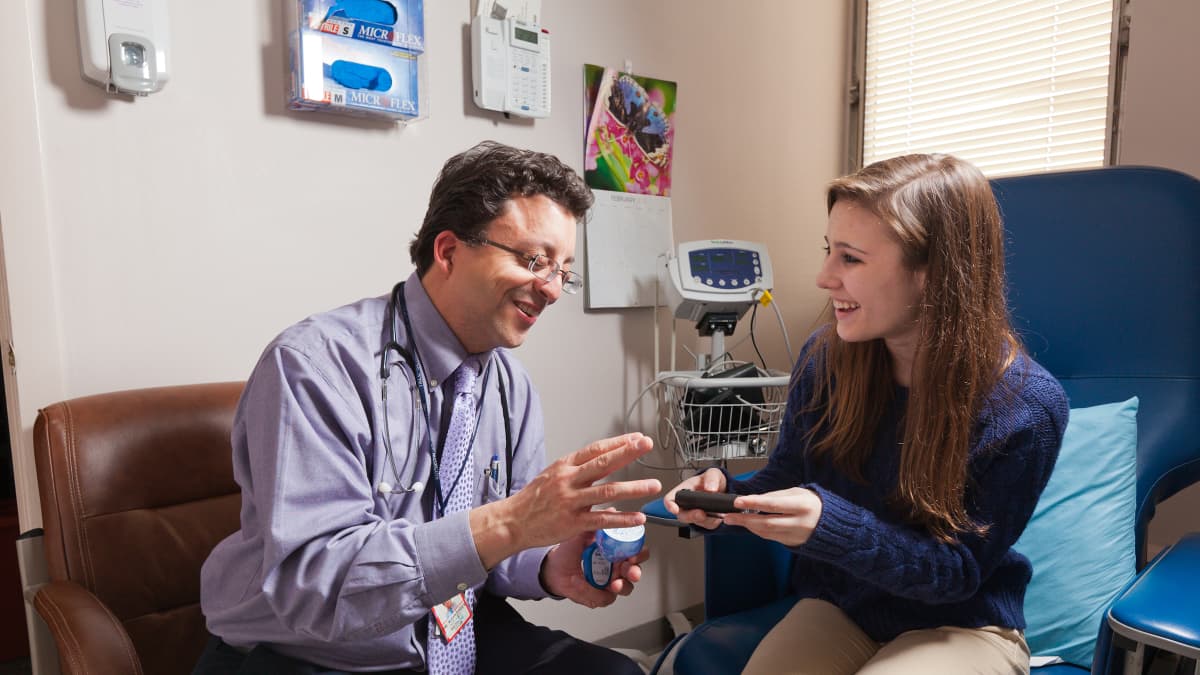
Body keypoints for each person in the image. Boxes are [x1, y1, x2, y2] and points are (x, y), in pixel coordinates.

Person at [196, 141, 663, 674]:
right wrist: (513, 522)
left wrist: (551, 564)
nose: (553, 289)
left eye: (563, 270)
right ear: (448, 251)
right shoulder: (314, 367)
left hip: (457, 630)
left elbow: (497, 543)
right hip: (314, 652)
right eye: (535, 260)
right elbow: (316, 589)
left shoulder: (509, 384)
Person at [664, 154, 1069, 675]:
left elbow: (955, 573)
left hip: (960, 624)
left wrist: (829, 524)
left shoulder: (1026, 407)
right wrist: (723, 501)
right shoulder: (825, 360)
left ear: (932, 272)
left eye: (850, 259)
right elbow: (784, 481)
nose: (823, 277)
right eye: (828, 251)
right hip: (843, 608)